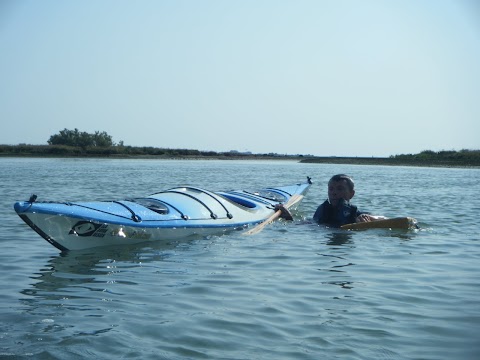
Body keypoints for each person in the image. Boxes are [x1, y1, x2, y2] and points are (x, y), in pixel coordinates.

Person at [276, 174, 383, 227]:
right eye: (331, 189)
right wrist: (289, 218)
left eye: (340, 189)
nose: (334, 192)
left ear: (351, 194)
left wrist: (370, 218)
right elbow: (309, 225)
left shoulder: (357, 215)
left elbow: (383, 218)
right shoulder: (322, 210)